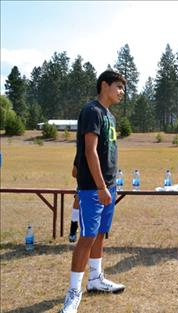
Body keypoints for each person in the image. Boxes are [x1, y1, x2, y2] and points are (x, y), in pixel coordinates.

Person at [60, 70, 126, 313]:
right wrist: (99, 187)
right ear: (104, 85)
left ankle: (96, 279)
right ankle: (73, 292)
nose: (122, 92)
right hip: (93, 188)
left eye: (123, 89)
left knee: (100, 233)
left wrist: (108, 185)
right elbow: (90, 150)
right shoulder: (93, 111)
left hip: (108, 185)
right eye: (118, 87)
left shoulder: (110, 116)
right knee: (87, 237)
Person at [69, 164, 80, 243]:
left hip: (99, 187)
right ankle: (73, 226)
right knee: (78, 199)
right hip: (84, 187)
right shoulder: (80, 154)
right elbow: (74, 173)